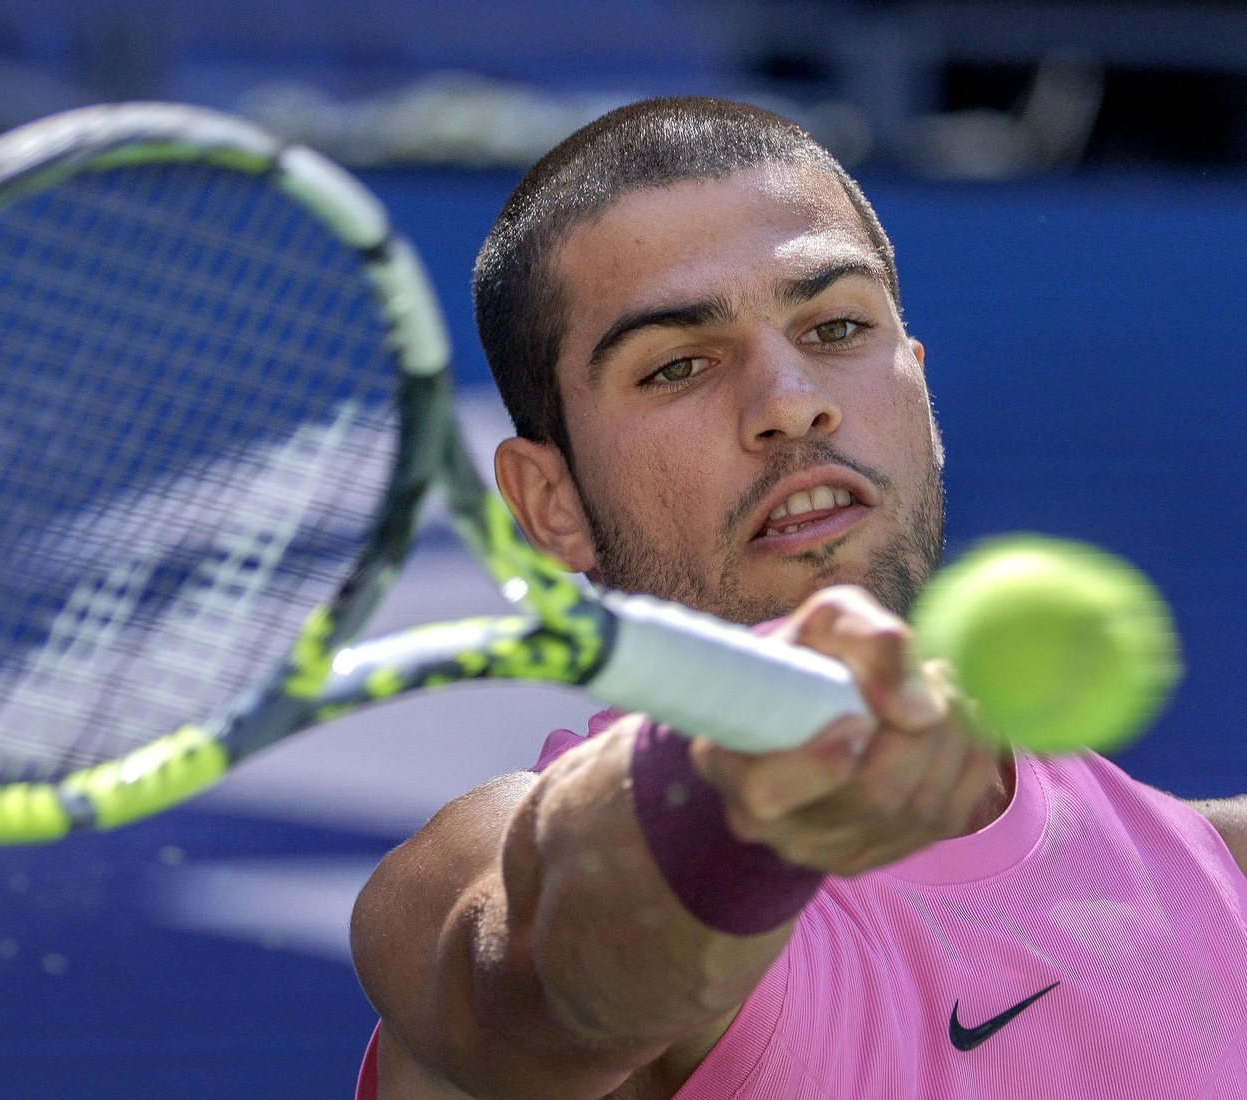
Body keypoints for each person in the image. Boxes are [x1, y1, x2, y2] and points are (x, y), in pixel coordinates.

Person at [348, 97, 1247, 1099]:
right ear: (549, 502)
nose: (789, 400)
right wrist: (728, 791)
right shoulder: (463, 881)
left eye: (836, 325)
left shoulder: (1218, 873)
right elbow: (545, 975)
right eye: (677, 364)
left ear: (920, 396)